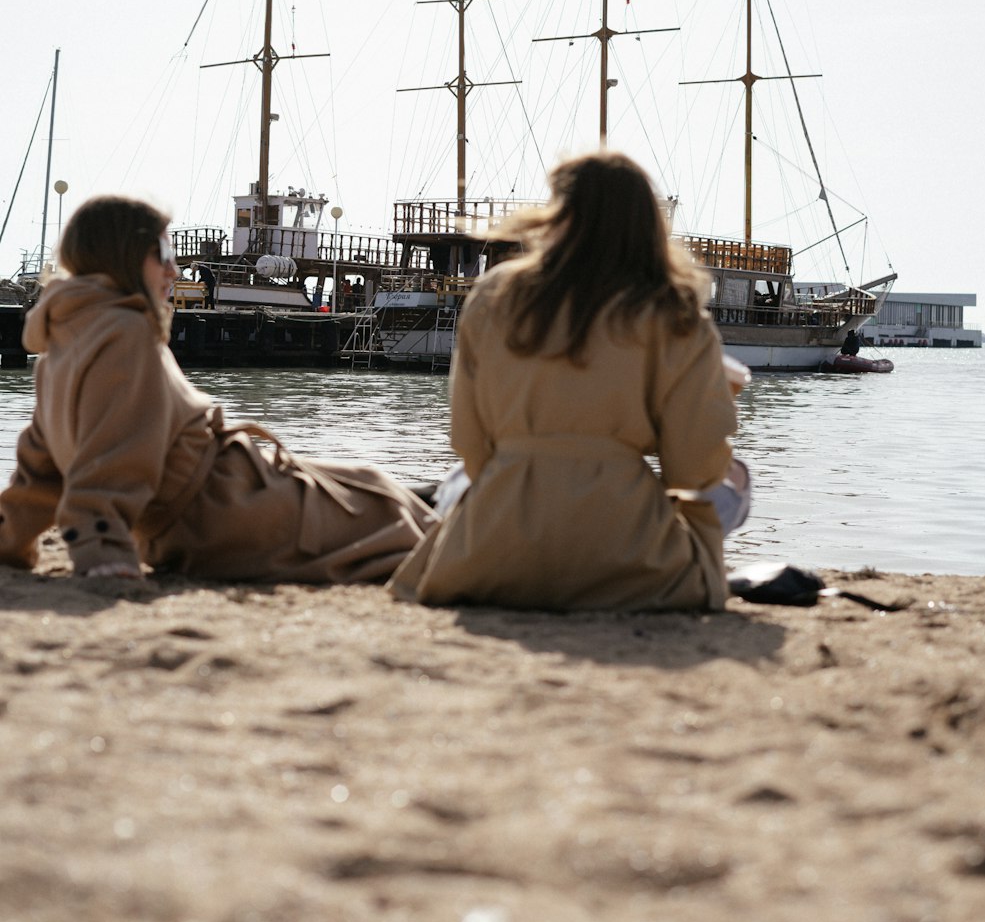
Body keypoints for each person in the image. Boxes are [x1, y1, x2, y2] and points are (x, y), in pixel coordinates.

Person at [0, 196, 432, 583]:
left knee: (366, 481)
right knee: (389, 511)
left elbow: (42, 459)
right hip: (225, 511)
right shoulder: (125, 330)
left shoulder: (66, 339)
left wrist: (10, 536)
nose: (175, 269)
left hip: (201, 515)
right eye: (163, 253)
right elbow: (119, 454)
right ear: (124, 257)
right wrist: (101, 548)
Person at [389, 151, 750, 612]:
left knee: (463, 484)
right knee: (735, 479)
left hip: (494, 551)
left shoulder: (493, 295)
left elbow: (470, 444)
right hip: (629, 562)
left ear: (558, 212)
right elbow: (695, 469)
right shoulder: (672, 310)